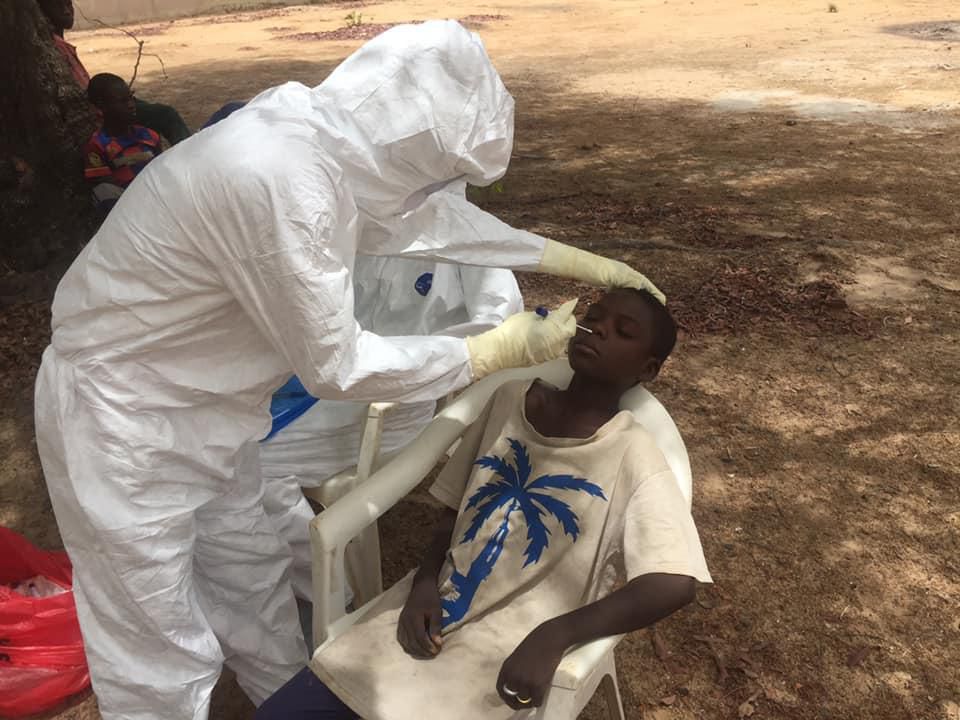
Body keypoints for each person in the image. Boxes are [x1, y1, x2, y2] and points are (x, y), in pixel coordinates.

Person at [35, 20, 665, 720]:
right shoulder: (278, 178)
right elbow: (339, 364)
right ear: (407, 136)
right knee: (155, 641)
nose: (435, 187)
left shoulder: (323, 142)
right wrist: (487, 351)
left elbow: (417, 222)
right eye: (435, 168)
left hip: (210, 411)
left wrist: (556, 256)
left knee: (249, 576)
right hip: (121, 418)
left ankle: (290, 703)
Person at [256, 287, 712, 719]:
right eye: (593, 319)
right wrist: (424, 582)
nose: (598, 330)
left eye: (623, 331)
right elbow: (456, 510)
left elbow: (672, 582)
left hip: (507, 649)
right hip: (432, 612)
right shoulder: (509, 400)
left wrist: (556, 635)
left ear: (648, 370)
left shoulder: (633, 454)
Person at [261, 253, 524, 602]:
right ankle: (270, 573)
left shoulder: (469, 245)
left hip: (394, 406)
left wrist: (423, 362)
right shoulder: (361, 220)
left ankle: (327, 598)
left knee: (253, 463)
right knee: (226, 433)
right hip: (322, 385)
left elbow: (498, 328)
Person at [38, 0, 192, 145]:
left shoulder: (58, 44)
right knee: (166, 115)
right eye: (58, 6)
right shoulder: (55, 47)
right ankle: (192, 155)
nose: (67, 11)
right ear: (42, 13)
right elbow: (80, 95)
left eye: (68, 4)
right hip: (99, 111)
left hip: (102, 103)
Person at [82, 73, 164, 214]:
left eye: (131, 98)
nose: (132, 105)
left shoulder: (150, 136)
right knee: (103, 190)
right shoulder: (97, 145)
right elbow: (102, 182)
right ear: (103, 106)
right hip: (127, 205)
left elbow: (162, 170)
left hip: (157, 195)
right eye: (123, 101)